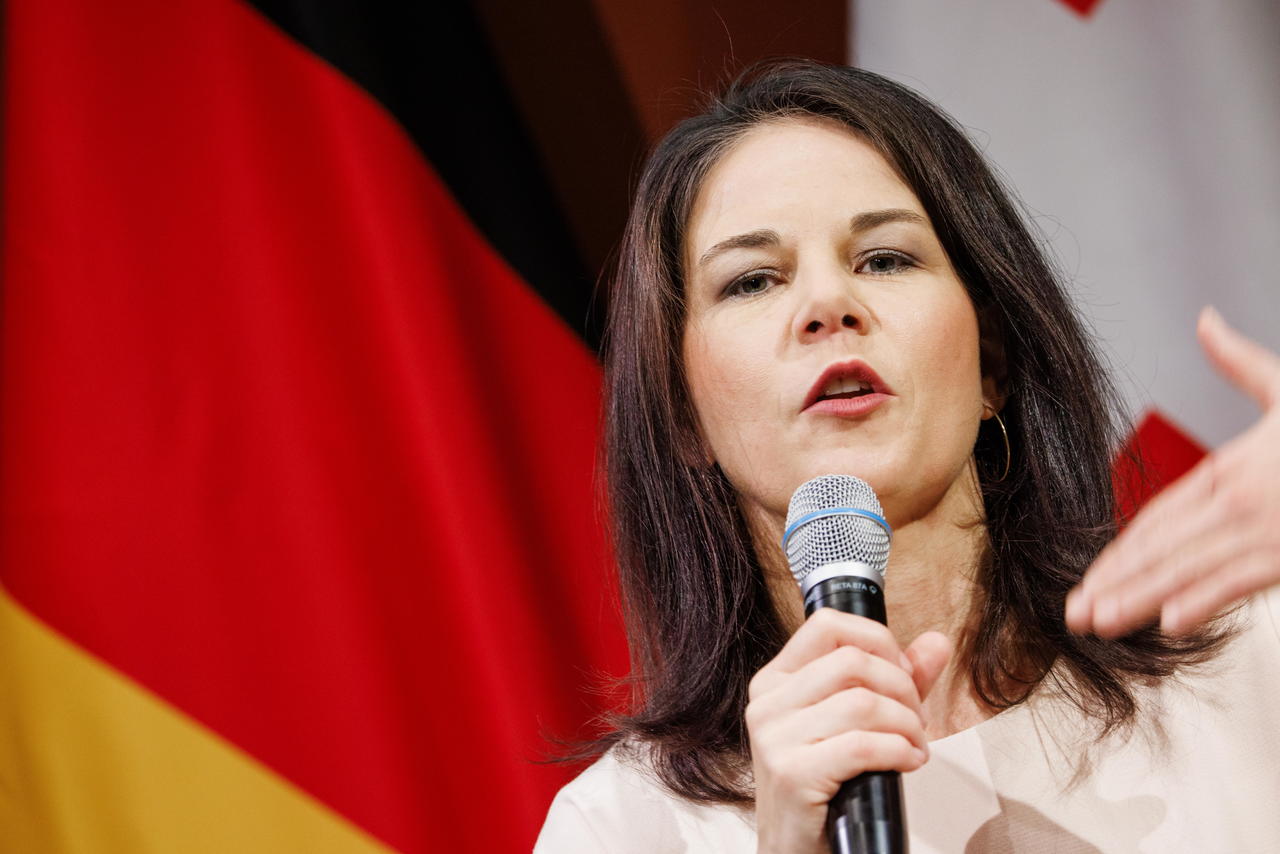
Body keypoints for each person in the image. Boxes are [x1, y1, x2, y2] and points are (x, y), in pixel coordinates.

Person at [535, 60, 1280, 853]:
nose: (827, 305)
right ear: (684, 413)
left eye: (884, 259)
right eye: (752, 281)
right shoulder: (620, 828)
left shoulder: (1252, 660)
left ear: (992, 364)